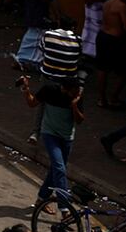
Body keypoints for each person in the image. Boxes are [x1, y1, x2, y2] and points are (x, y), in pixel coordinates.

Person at [18, 69, 83, 213]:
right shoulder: (49, 90)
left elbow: (80, 120)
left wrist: (74, 105)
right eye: (74, 91)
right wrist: (26, 90)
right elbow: (32, 103)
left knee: (55, 170)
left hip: (67, 137)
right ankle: (65, 208)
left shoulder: (77, 97)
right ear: (65, 89)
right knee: (60, 169)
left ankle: (41, 199)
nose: (77, 93)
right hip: (50, 134)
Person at [96, 0, 126, 106]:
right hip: (115, 39)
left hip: (103, 36)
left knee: (102, 68)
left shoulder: (107, 2)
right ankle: (113, 97)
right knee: (124, 70)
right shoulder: (122, 6)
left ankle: (102, 99)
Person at [15, 0, 52, 68]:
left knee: (34, 38)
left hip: (37, 15)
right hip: (35, 15)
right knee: (34, 38)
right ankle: (26, 59)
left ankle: (27, 59)